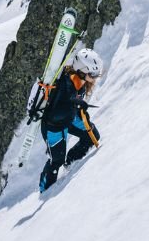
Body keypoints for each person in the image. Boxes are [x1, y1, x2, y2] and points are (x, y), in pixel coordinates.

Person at [38, 47, 103, 192]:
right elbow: (56, 113)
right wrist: (74, 104)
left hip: (70, 118)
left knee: (92, 137)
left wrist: (78, 108)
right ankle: (44, 191)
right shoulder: (65, 83)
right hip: (53, 126)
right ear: (82, 69)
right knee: (56, 161)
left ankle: (71, 163)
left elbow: (73, 102)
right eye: (92, 74)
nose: (94, 77)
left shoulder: (79, 81)